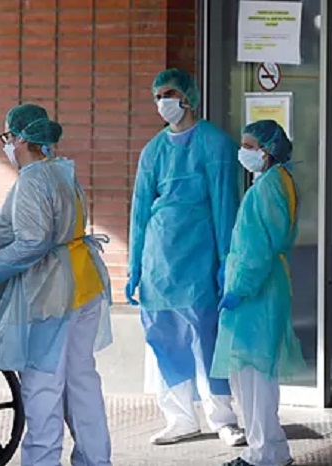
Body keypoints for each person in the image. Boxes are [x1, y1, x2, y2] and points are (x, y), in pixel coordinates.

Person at [0, 103, 113, 466]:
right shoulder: (60, 171)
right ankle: (95, 460)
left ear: (21, 139)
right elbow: (17, 230)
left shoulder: (32, 180)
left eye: (8, 137)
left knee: (43, 384)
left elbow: (31, 241)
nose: (6, 145)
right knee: (81, 382)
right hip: (83, 286)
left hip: (52, 295)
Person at [126, 68, 246, 446]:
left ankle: (223, 417)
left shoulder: (215, 145)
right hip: (158, 260)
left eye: (170, 93)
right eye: (158, 95)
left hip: (200, 254)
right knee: (165, 339)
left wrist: (227, 261)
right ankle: (179, 418)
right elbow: (139, 212)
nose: (163, 101)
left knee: (207, 337)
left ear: (188, 97)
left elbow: (226, 207)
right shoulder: (153, 151)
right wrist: (134, 267)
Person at [212, 120, 305, 466]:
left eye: (250, 146)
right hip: (267, 286)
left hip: (256, 292)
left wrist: (239, 288)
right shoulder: (280, 181)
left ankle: (262, 454)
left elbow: (256, 250)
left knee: (252, 376)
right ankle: (271, 450)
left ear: (266, 151)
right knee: (256, 374)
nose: (244, 152)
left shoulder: (265, 188)